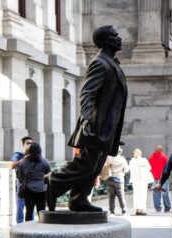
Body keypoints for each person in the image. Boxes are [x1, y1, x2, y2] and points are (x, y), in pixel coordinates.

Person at [45, 25, 127, 212]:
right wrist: (87, 120)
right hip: (96, 126)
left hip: (107, 128)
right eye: (115, 35)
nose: (119, 38)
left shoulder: (111, 63)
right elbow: (87, 93)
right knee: (86, 164)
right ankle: (54, 180)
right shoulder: (100, 63)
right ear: (106, 40)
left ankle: (78, 199)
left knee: (95, 166)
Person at [19, 143, 51, 221]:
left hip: (28, 190)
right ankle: (40, 229)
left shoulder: (23, 162)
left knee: (29, 211)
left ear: (30, 151)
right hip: (42, 190)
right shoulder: (45, 162)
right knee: (41, 212)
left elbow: (21, 177)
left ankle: (28, 230)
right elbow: (49, 176)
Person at [9, 136, 33, 223]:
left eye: (31, 143)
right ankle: (19, 224)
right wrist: (22, 160)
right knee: (20, 205)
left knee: (30, 206)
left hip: (31, 184)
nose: (30, 145)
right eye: (28, 143)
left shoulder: (35, 156)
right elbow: (11, 166)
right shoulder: (18, 155)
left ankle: (30, 224)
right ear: (23, 145)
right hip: (21, 183)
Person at [129, 148, 153, 215]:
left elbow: (130, 169)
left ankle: (138, 210)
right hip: (142, 180)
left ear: (138, 153)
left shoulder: (132, 161)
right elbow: (149, 168)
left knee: (137, 195)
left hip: (136, 180)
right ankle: (140, 210)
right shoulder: (143, 160)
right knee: (141, 195)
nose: (133, 154)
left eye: (134, 153)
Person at [106, 147, 129, 216]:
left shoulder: (109, 158)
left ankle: (111, 212)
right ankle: (124, 211)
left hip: (110, 178)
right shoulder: (122, 159)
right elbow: (127, 169)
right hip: (119, 178)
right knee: (121, 196)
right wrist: (123, 173)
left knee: (111, 196)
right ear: (120, 151)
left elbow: (105, 166)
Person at [148, 145, 171, 213]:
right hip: (163, 179)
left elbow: (148, 168)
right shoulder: (164, 157)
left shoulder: (150, 158)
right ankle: (167, 208)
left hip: (153, 178)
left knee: (155, 193)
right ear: (161, 150)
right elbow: (169, 167)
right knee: (165, 193)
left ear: (155, 150)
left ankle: (158, 208)